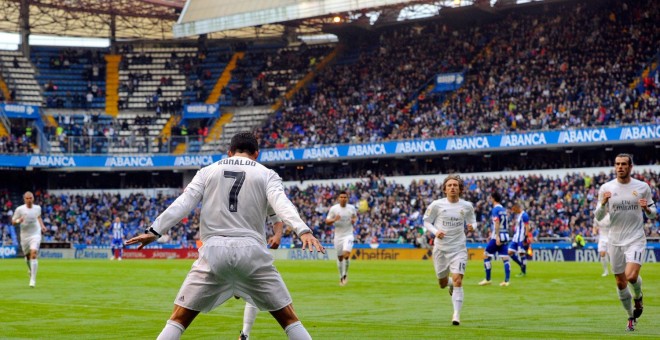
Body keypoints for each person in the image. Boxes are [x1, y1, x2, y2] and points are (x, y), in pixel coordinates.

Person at [126, 132, 325, 340]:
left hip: (214, 251)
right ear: (256, 153)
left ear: (229, 152)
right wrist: (303, 230)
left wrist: (154, 231)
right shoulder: (267, 174)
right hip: (252, 252)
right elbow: (281, 204)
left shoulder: (207, 171)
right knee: (289, 318)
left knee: (178, 318)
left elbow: (183, 203)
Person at [594, 153, 656, 331]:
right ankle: (631, 316)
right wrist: (603, 203)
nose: (620, 167)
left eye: (623, 164)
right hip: (615, 240)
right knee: (621, 283)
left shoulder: (642, 187)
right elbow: (598, 217)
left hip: (635, 238)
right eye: (617, 164)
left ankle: (638, 296)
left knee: (631, 276)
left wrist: (646, 208)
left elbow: (653, 212)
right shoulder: (606, 188)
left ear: (630, 167)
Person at [423, 174, 476, 326]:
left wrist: (473, 226)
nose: (452, 187)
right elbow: (426, 221)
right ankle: (450, 283)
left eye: (455, 185)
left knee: (459, 279)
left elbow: (473, 221)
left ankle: (456, 315)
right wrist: (435, 232)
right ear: (445, 189)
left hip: (459, 248)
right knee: (442, 283)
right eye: (449, 185)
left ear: (460, 189)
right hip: (441, 249)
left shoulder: (466, 206)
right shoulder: (436, 205)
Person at [239, 206, 285, 340]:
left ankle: (245, 335)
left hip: (254, 248)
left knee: (252, 292)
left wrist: (277, 235)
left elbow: (276, 218)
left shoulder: (262, 193)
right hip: (227, 248)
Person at [12, 191, 47, 287]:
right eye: (27, 198)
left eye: (30, 198)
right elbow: (13, 222)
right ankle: (31, 270)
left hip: (35, 233)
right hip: (24, 236)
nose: (29, 200)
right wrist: (19, 220)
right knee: (27, 257)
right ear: (24, 199)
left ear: (33, 198)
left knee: (34, 253)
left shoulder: (37, 208)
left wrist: (42, 226)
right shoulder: (19, 209)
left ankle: (33, 280)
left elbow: (39, 217)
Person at [479, 192, 511, 287]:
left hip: (497, 236)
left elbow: (497, 223)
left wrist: (496, 235)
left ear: (493, 198)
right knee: (505, 258)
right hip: (505, 235)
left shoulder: (495, 209)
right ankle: (506, 281)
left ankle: (488, 279)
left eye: (490, 198)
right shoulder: (503, 210)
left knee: (486, 255)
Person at [325, 191, 357, 286]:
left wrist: (353, 220)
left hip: (349, 235)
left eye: (345, 197)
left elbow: (355, 217)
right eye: (341, 197)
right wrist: (334, 219)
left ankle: (345, 275)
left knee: (346, 254)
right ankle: (340, 276)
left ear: (347, 198)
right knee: (340, 258)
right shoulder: (334, 209)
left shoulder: (351, 208)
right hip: (338, 236)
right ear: (338, 198)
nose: (343, 199)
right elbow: (327, 221)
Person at [507, 203, 530, 277]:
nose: (514, 211)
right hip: (516, 237)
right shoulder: (519, 215)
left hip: (521, 238)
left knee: (522, 254)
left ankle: (523, 272)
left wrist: (526, 237)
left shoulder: (524, 215)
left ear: (518, 208)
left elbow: (527, 226)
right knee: (510, 252)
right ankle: (521, 265)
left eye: (514, 209)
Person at [593, 213, 611, 277]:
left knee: (610, 254)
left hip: (610, 236)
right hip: (602, 237)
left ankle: (614, 268)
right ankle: (606, 271)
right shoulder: (597, 217)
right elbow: (594, 226)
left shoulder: (610, 216)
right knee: (602, 254)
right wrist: (594, 232)